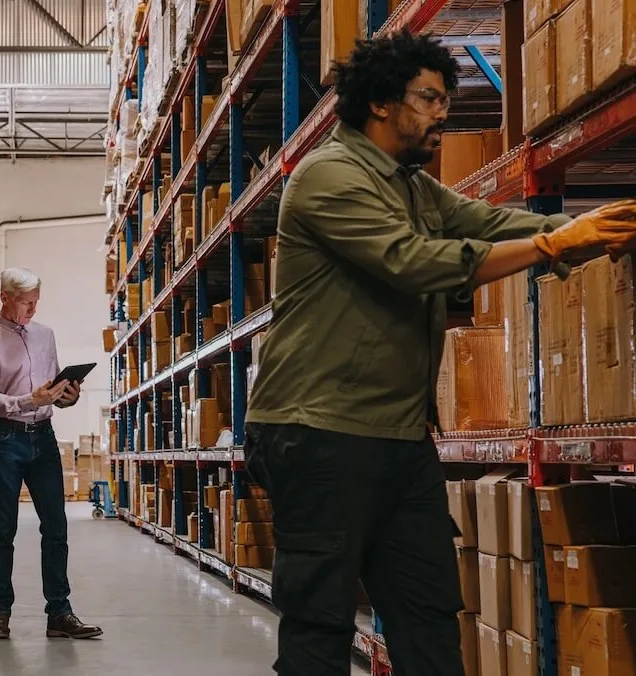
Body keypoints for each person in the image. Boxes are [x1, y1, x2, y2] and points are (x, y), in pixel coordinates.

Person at [243, 30, 636, 676]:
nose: (443, 112)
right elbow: (412, 262)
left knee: (429, 615)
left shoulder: (412, 187)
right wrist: (553, 248)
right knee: (319, 624)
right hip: (318, 437)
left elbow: (488, 223)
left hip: (399, 441)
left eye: (445, 98)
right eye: (429, 97)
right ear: (380, 103)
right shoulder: (327, 178)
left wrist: (585, 230)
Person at [0, 266, 103, 641]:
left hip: (43, 438)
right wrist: (30, 399)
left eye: (36, 303)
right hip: (4, 440)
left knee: (56, 527)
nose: (33, 310)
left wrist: (67, 396)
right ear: (5, 298)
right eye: (26, 303)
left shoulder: (46, 336)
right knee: (3, 529)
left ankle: (59, 612)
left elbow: (54, 386)